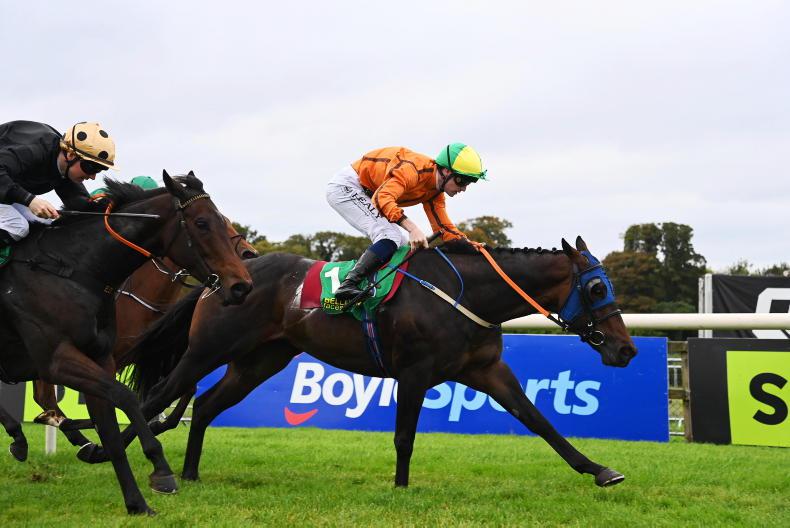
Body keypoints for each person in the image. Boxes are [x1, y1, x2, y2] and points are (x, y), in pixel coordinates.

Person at [326, 143, 487, 302]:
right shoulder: (413, 170)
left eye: (469, 183)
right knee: (389, 236)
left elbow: (444, 228)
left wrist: (470, 246)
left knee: (402, 247)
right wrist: (413, 229)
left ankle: (375, 291)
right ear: (446, 171)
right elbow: (382, 198)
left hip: (370, 192)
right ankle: (348, 284)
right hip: (348, 187)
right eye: (462, 181)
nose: (464, 188)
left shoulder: (435, 191)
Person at [0, 121, 117, 246]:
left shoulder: (64, 165)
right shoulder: (34, 150)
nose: (93, 177)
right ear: (71, 155)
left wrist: (104, 207)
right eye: (91, 168)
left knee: (45, 225)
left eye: (98, 170)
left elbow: (78, 203)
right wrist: (29, 200)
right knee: (16, 227)